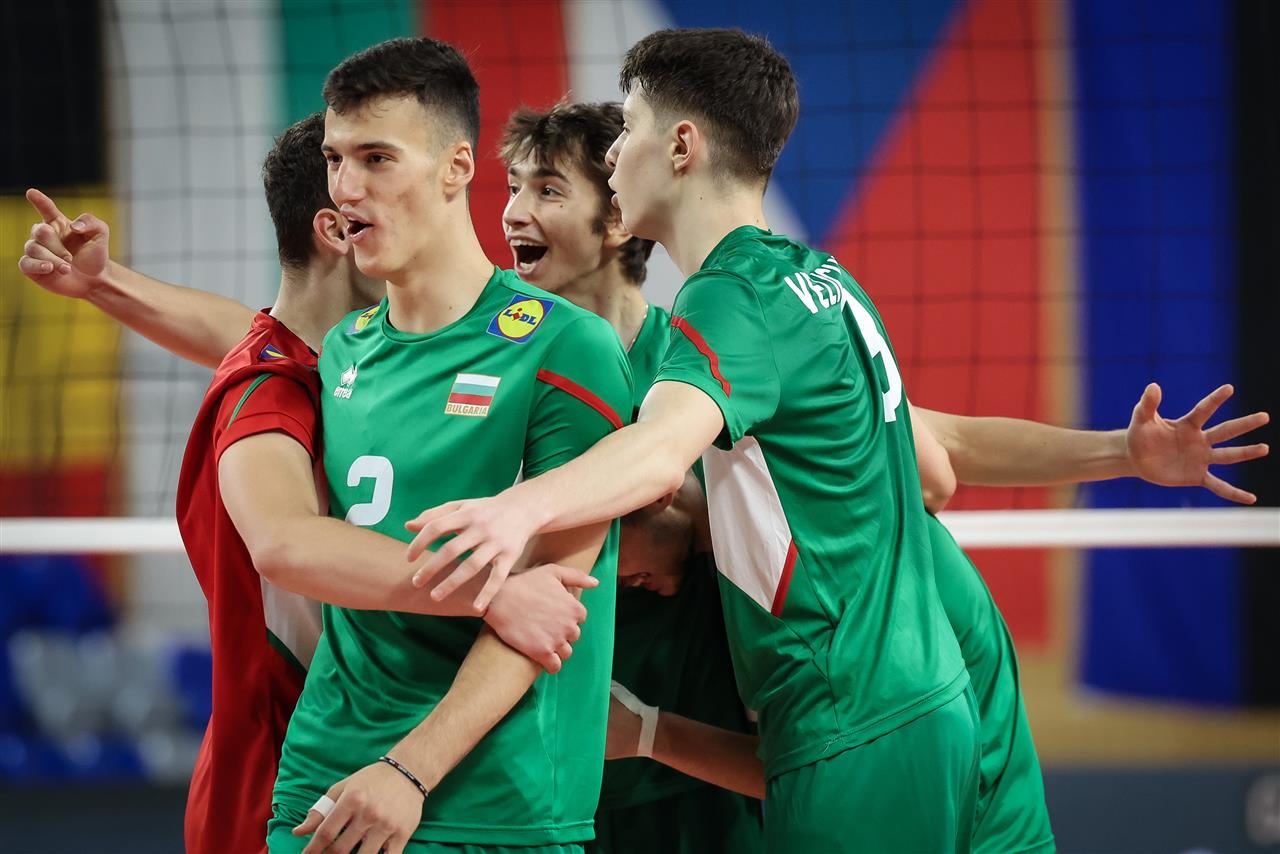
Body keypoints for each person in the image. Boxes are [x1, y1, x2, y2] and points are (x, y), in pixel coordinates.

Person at [406, 29, 981, 852]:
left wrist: (514, 512)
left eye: (631, 128)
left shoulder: (731, 295)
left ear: (681, 146)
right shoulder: (824, 279)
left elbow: (655, 452)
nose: (615, 154)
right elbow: (932, 474)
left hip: (847, 718)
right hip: (909, 704)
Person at [18, 112, 596, 854]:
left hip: (350, 751)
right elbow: (284, 540)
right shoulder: (268, 396)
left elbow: (249, 331)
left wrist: (106, 283)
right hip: (281, 770)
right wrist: (496, 593)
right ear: (338, 229)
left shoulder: (319, 362)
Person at [606, 389, 1268, 854]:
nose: (610, 580)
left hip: (965, 814)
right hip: (969, 799)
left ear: (648, 491)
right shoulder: (747, 540)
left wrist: (1123, 453)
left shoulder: (791, 472)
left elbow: (947, 452)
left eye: (602, 551)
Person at [263, 38, 632, 854]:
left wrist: (410, 771)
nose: (346, 188)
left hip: (491, 796)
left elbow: (554, 602)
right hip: (325, 774)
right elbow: (300, 547)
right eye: (334, 159)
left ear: (456, 167)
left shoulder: (566, 347)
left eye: (377, 158)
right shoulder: (345, 350)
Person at [499, 101, 763, 853]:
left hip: (695, 765)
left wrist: (685, 524)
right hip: (542, 769)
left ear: (616, 219)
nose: (514, 212)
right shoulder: (491, 359)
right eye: (513, 188)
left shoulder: (698, 359)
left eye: (547, 190)